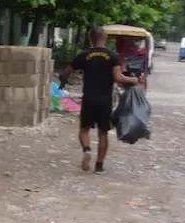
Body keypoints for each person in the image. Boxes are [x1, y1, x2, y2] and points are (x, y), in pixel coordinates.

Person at [58, 27, 146, 175]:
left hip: (89, 98)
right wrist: (135, 80)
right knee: (103, 133)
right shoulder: (113, 56)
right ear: (105, 37)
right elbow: (118, 78)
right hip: (105, 100)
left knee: (84, 129)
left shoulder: (84, 55)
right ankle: (99, 166)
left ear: (90, 38)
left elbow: (65, 73)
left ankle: (87, 150)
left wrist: (63, 82)